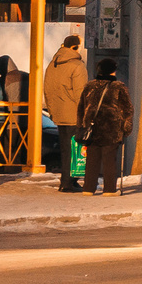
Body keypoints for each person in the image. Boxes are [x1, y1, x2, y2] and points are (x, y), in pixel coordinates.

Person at [74, 58, 134, 197]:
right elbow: (128, 110)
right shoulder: (119, 87)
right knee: (109, 160)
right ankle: (109, 189)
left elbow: (81, 108)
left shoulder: (89, 86)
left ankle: (88, 188)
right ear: (113, 70)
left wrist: (81, 125)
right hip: (111, 128)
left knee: (92, 159)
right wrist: (126, 127)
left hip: (92, 128)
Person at [44, 34, 88, 192]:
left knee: (65, 149)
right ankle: (69, 182)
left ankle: (67, 181)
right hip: (74, 114)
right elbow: (81, 93)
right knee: (77, 149)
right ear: (75, 47)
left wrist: (52, 110)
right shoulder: (77, 66)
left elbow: (47, 89)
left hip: (59, 114)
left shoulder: (52, 64)